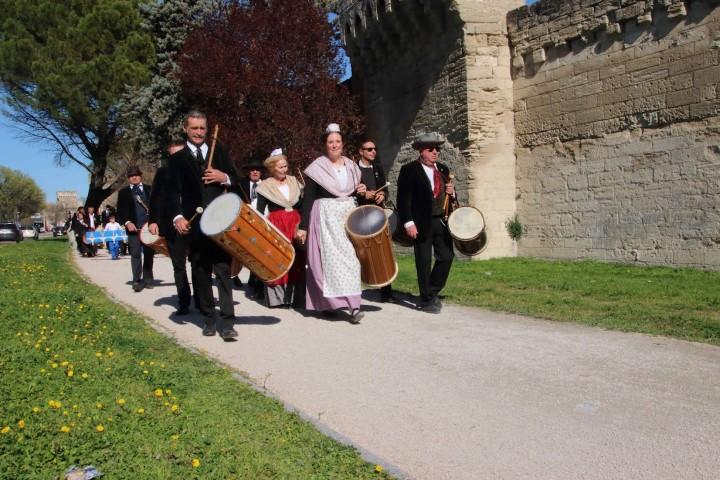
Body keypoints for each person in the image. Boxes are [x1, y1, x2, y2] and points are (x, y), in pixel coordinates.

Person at [165, 110, 240, 340]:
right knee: (200, 272)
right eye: (194, 128)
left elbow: (238, 181)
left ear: (207, 130)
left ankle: (227, 323)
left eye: (202, 128)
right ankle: (208, 319)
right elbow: (170, 192)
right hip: (195, 225)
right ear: (186, 129)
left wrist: (223, 177)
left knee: (224, 271)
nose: (199, 132)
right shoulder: (176, 159)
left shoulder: (220, 153)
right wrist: (177, 217)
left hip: (219, 223)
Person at [297, 123, 366, 323]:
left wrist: (361, 190)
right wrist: (304, 226)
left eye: (337, 141)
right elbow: (308, 198)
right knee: (328, 265)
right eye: (330, 142)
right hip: (325, 218)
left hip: (347, 217)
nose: (334, 145)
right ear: (325, 145)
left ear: (343, 144)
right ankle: (330, 304)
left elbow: (356, 193)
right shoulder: (317, 168)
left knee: (351, 261)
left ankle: (354, 305)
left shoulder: (353, 167)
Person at [397, 132, 456, 314]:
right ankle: (426, 299)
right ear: (421, 151)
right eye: (431, 149)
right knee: (423, 261)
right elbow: (403, 199)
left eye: (437, 149)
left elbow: (450, 198)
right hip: (420, 222)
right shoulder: (409, 169)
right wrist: (408, 222)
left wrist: (452, 192)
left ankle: (432, 290)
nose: (435, 152)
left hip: (440, 220)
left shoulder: (443, 170)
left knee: (447, 256)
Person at [255, 148, 305, 308]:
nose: (284, 170)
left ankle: (298, 297)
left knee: (298, 258)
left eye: (285, 166)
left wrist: (304, 224)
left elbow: (303, 204)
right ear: (272, 168)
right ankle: (278, 299)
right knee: (279, 259)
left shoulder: (294, 181)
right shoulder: (265, 186)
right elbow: (260, 211)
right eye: (280, 167)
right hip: (277, 225)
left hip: (295, 223)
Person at [148, 141, 193, 316]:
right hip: (171, 225)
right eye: (173, 155)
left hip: (195, 223)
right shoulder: (162, 173)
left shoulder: (196, 170)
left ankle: (203, 300)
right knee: (179, 266)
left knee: (198, 263)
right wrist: (153, 220)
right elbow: (155, 198)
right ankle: (184, 301)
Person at [356, 137, 394, 303]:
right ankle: (355, 288)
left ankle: (386, 290)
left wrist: (381, 194)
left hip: (377, 214)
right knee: (360, 252)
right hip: (359, 215)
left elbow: (385, 190)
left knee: (382, 250)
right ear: (361, 151)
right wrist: (362, 193)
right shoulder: (353, 169)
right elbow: (349, 191)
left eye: (374, 149)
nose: (373, 152)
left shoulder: (378, 168)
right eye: (369, 149)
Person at [116, 166, 155, 292]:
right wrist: (127, 222)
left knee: (149, 254)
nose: (134, 177)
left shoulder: (150, 189)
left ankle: (148, 279)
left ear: (140, 175)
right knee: (135, 254)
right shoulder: (123, 192)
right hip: (133, 230)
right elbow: (120, 212)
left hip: (148, 229)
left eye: (136, 175)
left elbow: (157, 207)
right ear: (128, 179)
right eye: (131, 176)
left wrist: (155, 222)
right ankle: (137, 280)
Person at [237, 159, 265, 297]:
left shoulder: (266, 185)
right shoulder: (240, 185)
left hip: (263, 223)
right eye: (252, 170)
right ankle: (239, 275)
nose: (255, 172)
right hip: (246, 223)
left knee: (260, 253)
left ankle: (258, 282)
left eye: (257, 169)